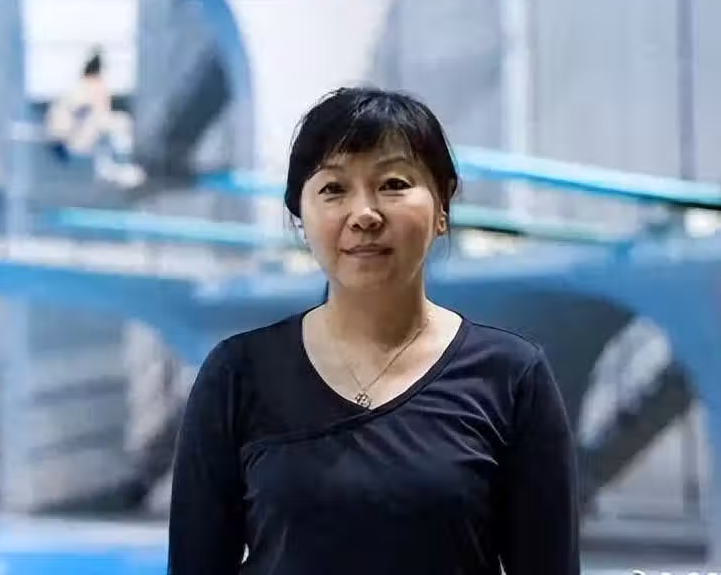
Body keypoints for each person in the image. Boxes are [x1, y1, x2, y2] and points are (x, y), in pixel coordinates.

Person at [167, 87, 580, 574]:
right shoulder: (238, 375)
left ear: (442, 206)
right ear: (300, 218)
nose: (364, 214)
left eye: (394, 183)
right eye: (333, 189)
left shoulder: (511, 377)